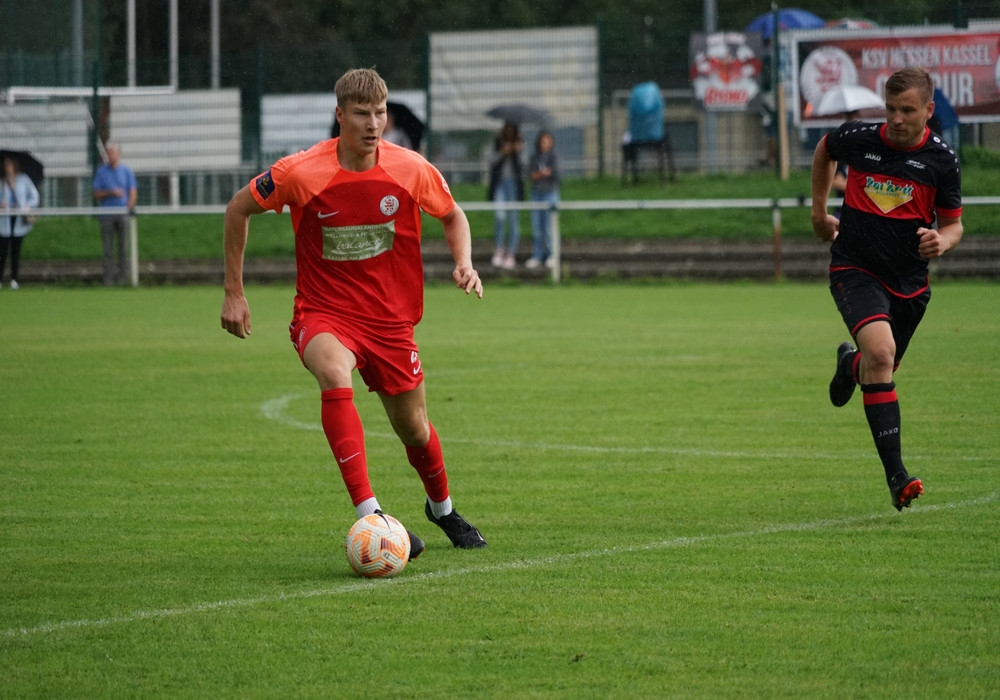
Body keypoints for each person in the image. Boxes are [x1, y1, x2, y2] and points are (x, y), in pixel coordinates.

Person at [220, 68, 487, 557]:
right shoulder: (300, 172)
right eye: (362, 113)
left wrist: (464, 263)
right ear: (339, 115)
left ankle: (442, 509)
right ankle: (373, 517)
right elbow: (238, 208)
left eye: (380, 113)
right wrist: (233, 293)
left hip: (389, 320)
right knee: (332, 371)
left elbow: (452, 215)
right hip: (324, 312)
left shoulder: (410, 168)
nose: (373, 123)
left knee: (415, 429)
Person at [811, 67, 963, 512]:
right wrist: (819, 212)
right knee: (881, 355)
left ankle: (849, 364)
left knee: (879, 365)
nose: (896, 119)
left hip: (909, 285)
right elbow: (825, 149)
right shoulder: (860, 138)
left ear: (928, 111)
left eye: (907, 110)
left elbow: (953, 226)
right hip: (855, 268)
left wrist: (942, 241)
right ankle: (898, 477)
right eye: (891, 108)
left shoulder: (941, 161)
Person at [92, 142, 138, 286]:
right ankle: (108, 280)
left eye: (112, 153)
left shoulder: (126, 171)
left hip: (122, 214)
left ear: (119, 154)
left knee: (123, 248)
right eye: (108, 153)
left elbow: (132, 192)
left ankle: (123, 279)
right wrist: (111, 192)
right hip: (106, 214)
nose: (110, 156)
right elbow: (96, 194)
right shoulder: (101, 171)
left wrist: (128, 208)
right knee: (107, 249)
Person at [487, 121, 524, 270]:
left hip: (514, 184)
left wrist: (518, 151)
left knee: (513, 218)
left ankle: (511, 253)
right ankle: (499, 249)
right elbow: (490, 160)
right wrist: (502, 152)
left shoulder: (520, 142)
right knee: (500, 216)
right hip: (500, 184)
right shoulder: (497, 141)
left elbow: (525, 164)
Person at [0, 155, 40, 290]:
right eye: (5, 165)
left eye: (9, 164)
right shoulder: (2, 181)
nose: (7, 167)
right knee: (2, 252)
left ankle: (14, 279)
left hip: (19, 220)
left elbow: (34, 196)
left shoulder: (24, 179)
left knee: (15, 252)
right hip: (4, 220)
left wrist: (28, 206)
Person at [526, 130, 560, 269]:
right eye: (542, 141)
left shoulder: (554, 157)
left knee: (549, 227)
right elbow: (531, 175)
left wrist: (540, 175)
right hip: (537, 194)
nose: (544, 144)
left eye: (547, 141)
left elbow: (556, 174)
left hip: (550, 193)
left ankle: (552, 255)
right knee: (537, 227)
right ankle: (538, 255)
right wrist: (542, 174)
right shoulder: (535, 157)